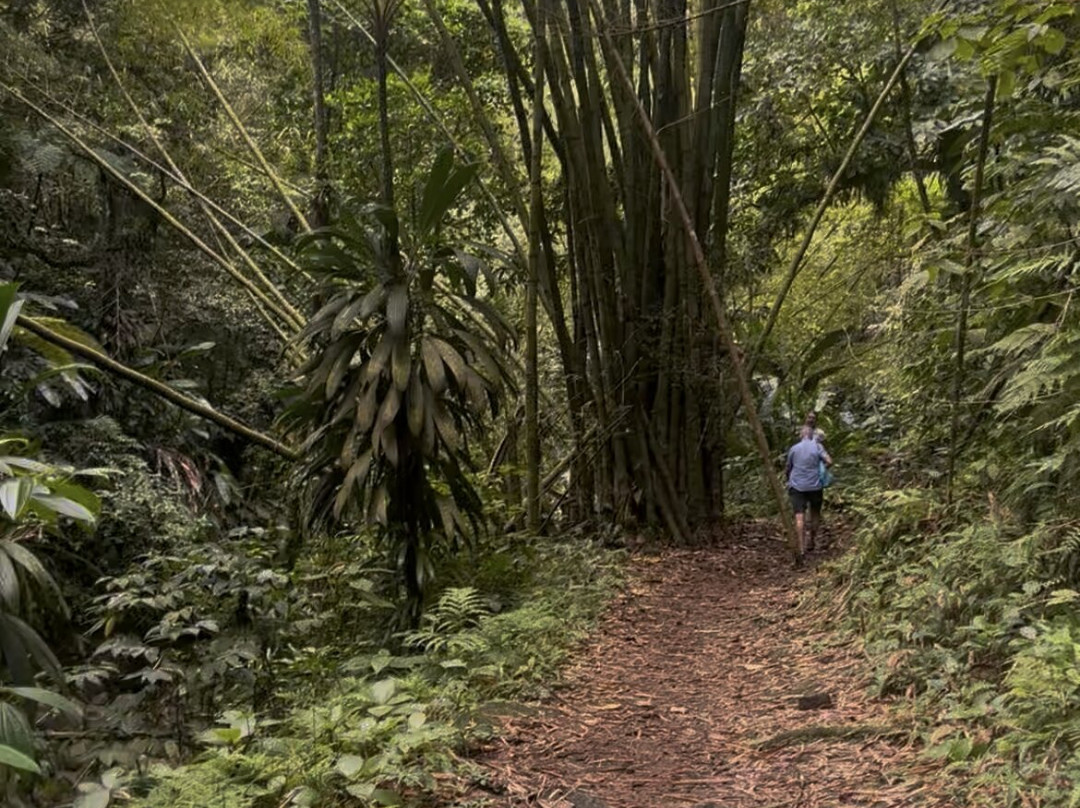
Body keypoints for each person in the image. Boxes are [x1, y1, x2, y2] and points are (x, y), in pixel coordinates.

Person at [786, 424, 832, 556]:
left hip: (797, 486)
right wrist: (821, 471)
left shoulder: (794, 449)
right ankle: (812, 540)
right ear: (811, 436)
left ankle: (800, 548)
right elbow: (829, 461)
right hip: (815, 486)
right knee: (815, 513)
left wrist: (788, 478)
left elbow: (788, 467)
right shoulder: (817, 446)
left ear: (801, 435)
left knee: (799, 517)